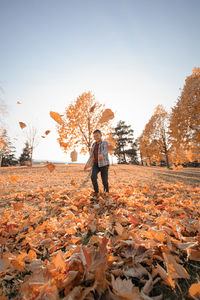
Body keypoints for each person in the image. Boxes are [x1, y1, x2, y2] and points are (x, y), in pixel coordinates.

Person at [84, 129, 110, 198]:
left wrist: (102, 154)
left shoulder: (104, 143)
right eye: (94, 136)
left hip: (104, 164)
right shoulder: (93, 145)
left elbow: (107, 149)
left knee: (104, 180)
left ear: (101, 135)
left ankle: (106, 192)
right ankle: (96, 192)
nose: (96, 137)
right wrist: (87, 165)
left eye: (97, 136)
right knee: (93, 176)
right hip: (95, 164)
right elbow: (91, 157)